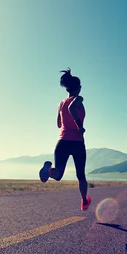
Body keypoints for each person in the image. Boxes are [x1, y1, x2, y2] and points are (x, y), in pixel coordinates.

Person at [39, 68, 90, 210]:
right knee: (81, 175)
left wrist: (67, 121)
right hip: (77, 143)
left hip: (62, 142)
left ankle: (48, 170)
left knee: (58, 174)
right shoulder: (78, 99)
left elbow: (58, 124)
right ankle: (84, 201)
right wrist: (79, 125)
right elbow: (72, 109)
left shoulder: (61, 103)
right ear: (78, 88)